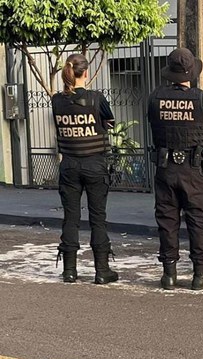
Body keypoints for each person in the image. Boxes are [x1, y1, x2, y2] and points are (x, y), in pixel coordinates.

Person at [148, 48, 203, 291]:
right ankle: (200, 274)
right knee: (197, 220)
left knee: (167, 220)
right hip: (193, 169)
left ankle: (169, 275)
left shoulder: (155, 98)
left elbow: (154, 125)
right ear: (191, 72)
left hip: (165, 168)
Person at [52, 54, 119, 284]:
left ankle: (69, 270)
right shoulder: (96, 98)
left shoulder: (57, 101)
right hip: (94, 164)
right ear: (86, 73)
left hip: (69, 165)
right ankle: (102, 271)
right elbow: (110, 123)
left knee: (70, 217)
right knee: (97, 218)